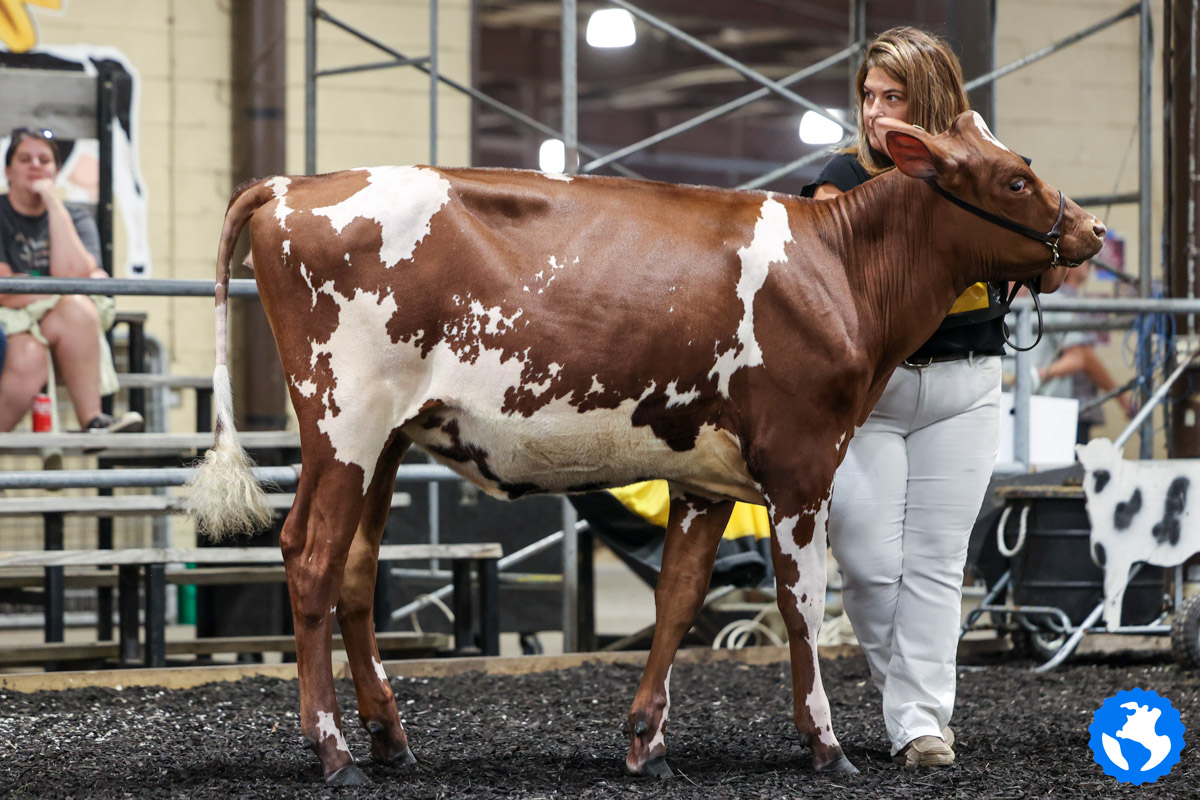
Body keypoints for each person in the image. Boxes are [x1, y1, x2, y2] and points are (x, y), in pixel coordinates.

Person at [801, 27, 1068, 770]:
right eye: (869, 96)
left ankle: (919, 725)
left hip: (968, 384)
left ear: (933, 100)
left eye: (896, 97)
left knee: (937, 563)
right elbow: (819, 288)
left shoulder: (984, 166)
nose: (878, 113)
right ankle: (910, 707)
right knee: (865, 560)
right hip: (870, 396)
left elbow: (1052, 269)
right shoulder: (839, 178)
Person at [0, 127, 142, 433]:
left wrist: (52, 202)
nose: (35, 165)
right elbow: (4, 289)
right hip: (10, 327)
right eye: (25, 159)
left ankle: (93, 421)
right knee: (29, 356)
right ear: (8, 170)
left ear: (57, 171)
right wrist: (61, 283)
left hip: (62, 324)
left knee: (78, 306)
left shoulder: (76, 219)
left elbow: (75, 278)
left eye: (44, 160)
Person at [1032, 260, 1133, 443]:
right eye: (1083, 258)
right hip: (1068, 404)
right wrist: (1121, 397)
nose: (1089, 262)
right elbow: (1084, 357)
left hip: (1064, 404)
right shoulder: (1062, 301)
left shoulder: (1058, 299)